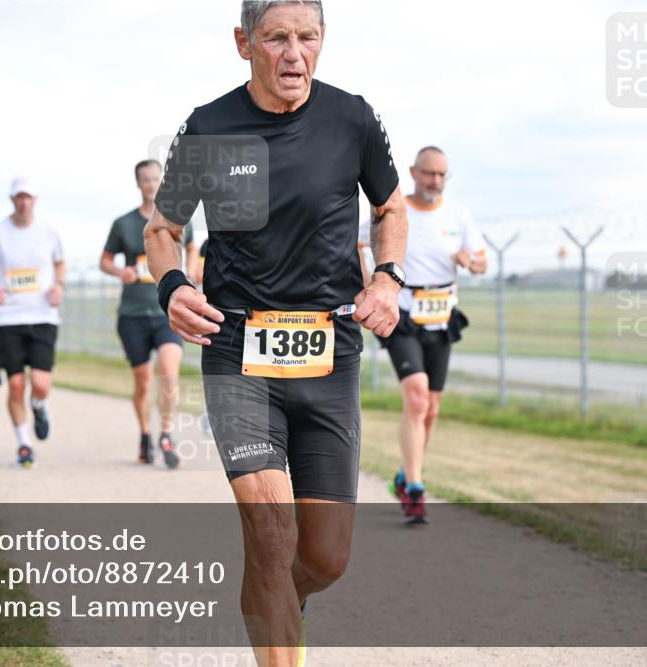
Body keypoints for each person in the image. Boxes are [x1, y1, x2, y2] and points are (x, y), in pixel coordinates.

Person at [144, 2, 407, 664]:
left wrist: (387, 278)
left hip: (329, 355)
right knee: (270, 530)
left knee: (324, 555)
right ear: (244, 44)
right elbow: (163, 230)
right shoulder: (210, 127)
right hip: (240, 353)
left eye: (308, 37)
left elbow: (390, 207)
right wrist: (173, 286)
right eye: (277, 38)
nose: (294, 53)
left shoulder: (352, 118)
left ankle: (274, 599)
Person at [359, 146, 487, 523]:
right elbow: (357, 240)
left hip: (442, 315)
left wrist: (471, 261)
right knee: (416, 398)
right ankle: (415, 488)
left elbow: (482, 261)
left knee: (431, 407)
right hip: (402, 313)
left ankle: (404, 473)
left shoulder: (458, 214)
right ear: (414, 172)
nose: (436, 182)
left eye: (442, 175)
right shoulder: (397, 209)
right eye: (430, 174)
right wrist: (369, 282)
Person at [101, 159, 199, 467]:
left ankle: (166, 434)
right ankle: (145, 434)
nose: (152, 184)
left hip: (167, 310)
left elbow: (193, 246)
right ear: (138, 184)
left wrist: (191, 273)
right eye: (146, 179)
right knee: (143, 381)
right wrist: (121, 272)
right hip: (132, 312)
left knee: (169, 372)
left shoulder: (178, 218)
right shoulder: (124, 224)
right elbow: (104, 260)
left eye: (157, 178)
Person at [0, 177, 65, 468]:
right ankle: (24, 444)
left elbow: (59, 263)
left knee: (40, 384)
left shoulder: (49, 232)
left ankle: (39, 406)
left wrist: (59, 286)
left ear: (35, 200)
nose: (24, 202)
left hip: (42, 316)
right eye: (19, 197)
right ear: (12, 199)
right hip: (7, 318)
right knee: (15, 384)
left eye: (28, 197)